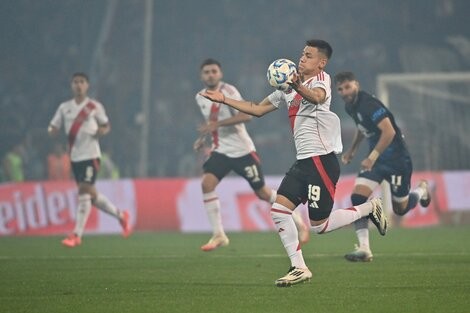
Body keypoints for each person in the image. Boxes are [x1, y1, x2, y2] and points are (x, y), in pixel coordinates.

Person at [201, 40, 387, 287]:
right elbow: (256, 109)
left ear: (321, 62)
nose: (302, 58)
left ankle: (369, 208)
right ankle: (299, 267)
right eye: (302, 54)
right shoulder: (286, 87)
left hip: (321, 160)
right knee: (278, 210)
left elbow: (318, 99)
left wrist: (297, 85)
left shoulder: (321, 79)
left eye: (309, 56)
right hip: (303, 161)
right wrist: (224, 99)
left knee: (320, 226)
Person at [195, 58, 310, 251]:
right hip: (221, 150)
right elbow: (212, 122)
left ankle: (298, 220)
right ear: (201, 76)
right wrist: (205, 136)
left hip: (242, 151)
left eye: (214, 71)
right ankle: (218, 234)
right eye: (206, 72)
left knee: (262, 193)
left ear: (220, 73)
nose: (210, 75)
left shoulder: (229, 92)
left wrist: (217, 125)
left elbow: (247, 115)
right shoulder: (200, 97)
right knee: (207, 184)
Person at [334, 71, 431, 262]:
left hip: (397, 161)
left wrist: (371, 157)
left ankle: (421, 191)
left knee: (400, 209)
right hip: (377, 162)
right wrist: (352, 150)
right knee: (358, 196)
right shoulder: (349, 106)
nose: (344, 92)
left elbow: (389, 131)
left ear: (356, 85)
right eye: (340, 89)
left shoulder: (368, 103)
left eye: (347, 87)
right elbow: (363, 128)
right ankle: (364, 248)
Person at [48, 72, 131, 247]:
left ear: (87, 85)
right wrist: (51, 131)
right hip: (75, 158)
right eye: (75, 82)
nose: (79, 85)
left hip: (91, 155)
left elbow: (106, 125)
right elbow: (53, 126)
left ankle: (76, 235)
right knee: (91, 195)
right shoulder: (64, 107)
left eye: (82, 82)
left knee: (84, 191)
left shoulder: (94, 106)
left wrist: (102, 131)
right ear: (71, 86)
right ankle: (122, 216)